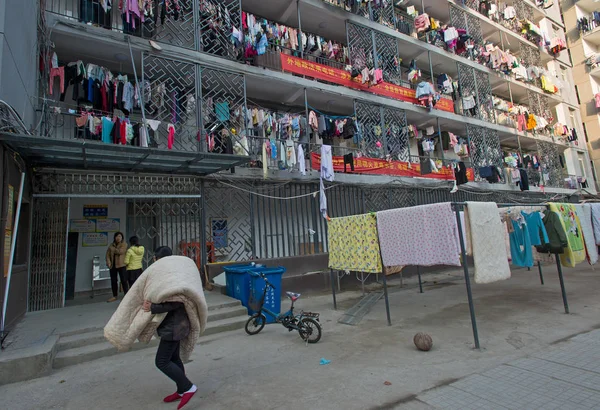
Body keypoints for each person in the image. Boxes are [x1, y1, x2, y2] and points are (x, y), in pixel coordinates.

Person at [142, 246, 198, 409]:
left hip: (174, 325)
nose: (154, 261)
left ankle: (188, 387)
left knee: (161, 361)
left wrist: (152, 307)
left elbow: (175, 301)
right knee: (173, 358)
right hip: (175, 324)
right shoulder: (170, 273)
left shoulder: (173, 276)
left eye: (155, 258)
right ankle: (181, 390)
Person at [106, 231, 128, 302]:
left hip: (122, 265)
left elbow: (120, 252)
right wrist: (108, 262)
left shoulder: (124, 244)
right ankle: (114, 296)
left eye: (120, 236)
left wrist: (113, 249)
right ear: (114, 237)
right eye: (117, 236)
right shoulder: (111, 245)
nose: (118, 238)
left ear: (122, 238)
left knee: (124, 280)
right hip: (113, 266)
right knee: (113, 281)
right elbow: (107, 255)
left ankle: (126, 295)